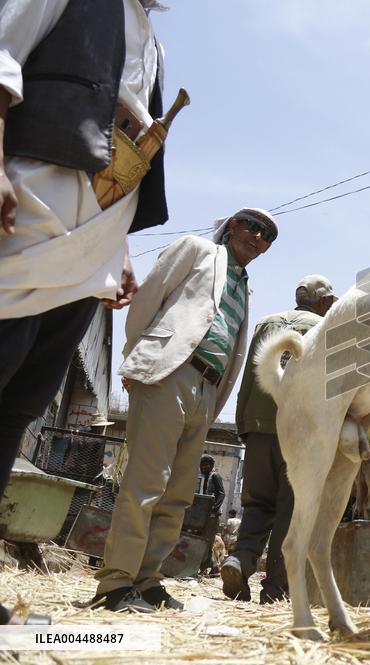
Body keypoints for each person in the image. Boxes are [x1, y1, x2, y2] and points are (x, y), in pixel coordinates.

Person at [0, 0, 171, 626]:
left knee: (16, 408)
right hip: (23, 219)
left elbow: (121, 146)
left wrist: (120, 250)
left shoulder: (151, 39)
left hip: (88, 250)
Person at [90, 207, 277, 613]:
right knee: (145, 482)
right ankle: (116, 582)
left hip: (207, 389)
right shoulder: (196, 250)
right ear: (230, 226)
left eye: (267, 236)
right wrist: (139, 359)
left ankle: (148, 579)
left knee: (177, 494)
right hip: (169, 372)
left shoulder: (245, 288)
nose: (258, 237)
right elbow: (146, 302)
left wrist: (214, 402)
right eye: (252, 226)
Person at [222, 274, 336, 603]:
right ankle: (274, 588)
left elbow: (248, 376)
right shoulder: (327, 327)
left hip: (258, 425)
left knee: (257, 503)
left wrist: (244, 423)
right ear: (324, 301)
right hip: (299, 431)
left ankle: (240, 560)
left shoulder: (266, 323)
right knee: (292, 508)